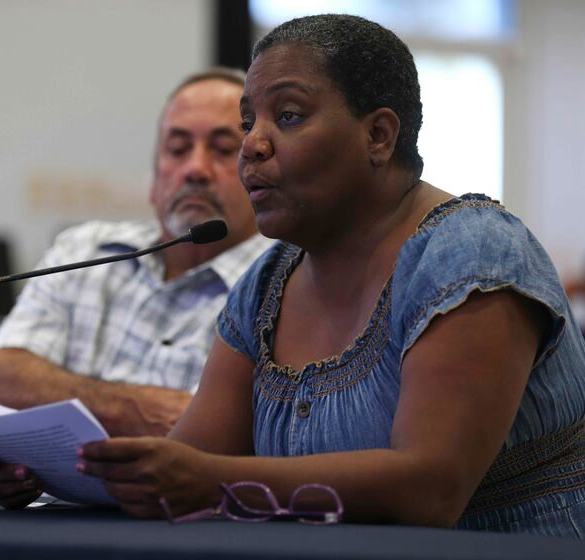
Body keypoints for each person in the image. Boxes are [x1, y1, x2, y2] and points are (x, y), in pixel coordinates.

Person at [73, 15, 585, 536]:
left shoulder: (474, 254)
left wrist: (211, 481)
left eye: (288, 116)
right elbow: (186, 461)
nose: (252, 144)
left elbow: (430, 491)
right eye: (249, 121)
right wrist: (66, 476)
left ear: (379, 136)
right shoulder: (268, 281)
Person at [0, 68, 272, 508]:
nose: (195, 169)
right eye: (177, 148)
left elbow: (255, 444)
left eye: (223, 149)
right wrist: (133, 408)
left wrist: (54, 407)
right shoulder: (87, 249)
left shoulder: (284, 278)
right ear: (154, 179)